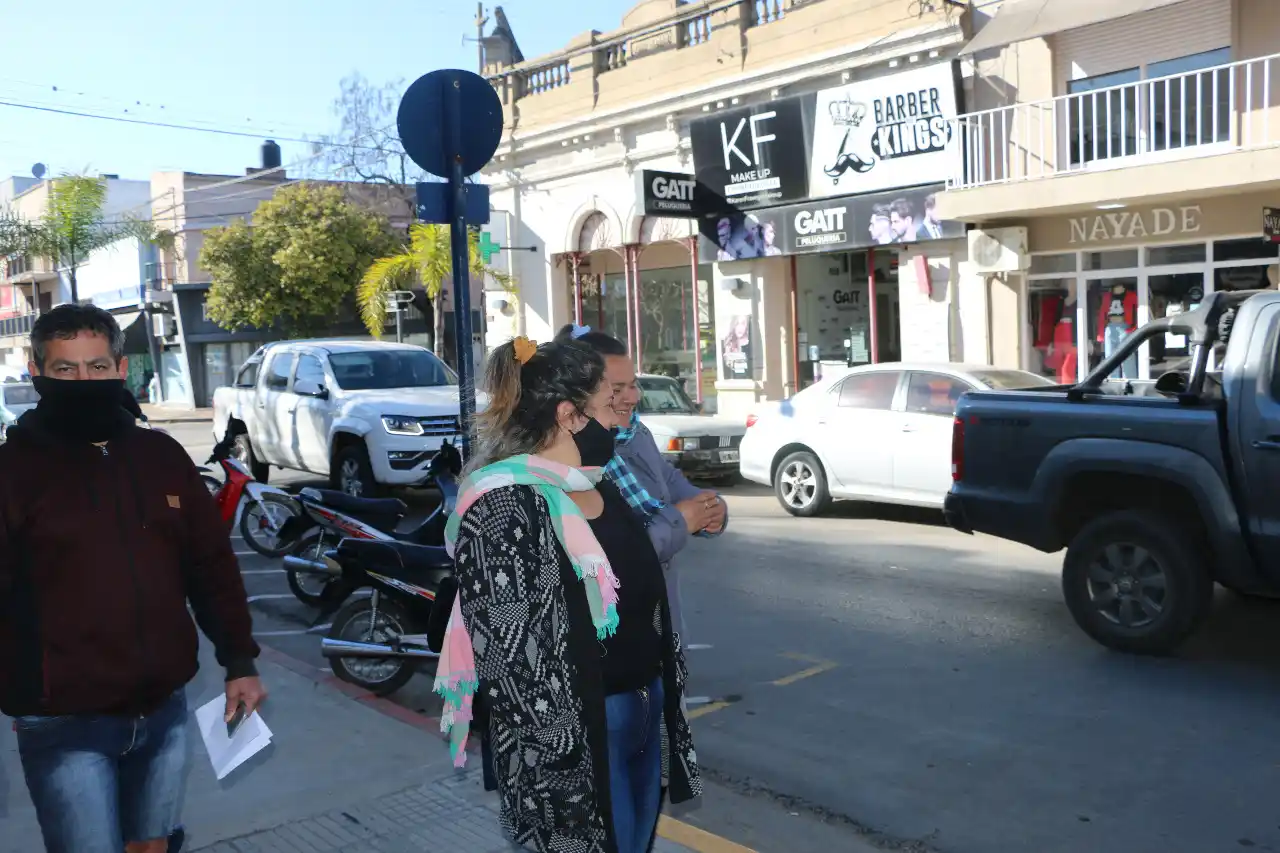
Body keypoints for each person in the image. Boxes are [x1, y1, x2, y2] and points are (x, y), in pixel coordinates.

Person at [0, 304, 265, 853]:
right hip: (63, 720)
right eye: (65, 369)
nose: (83, 380)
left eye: (97, 367)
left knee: (152, 848)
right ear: (36, 371)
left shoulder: (161, 457)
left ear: (121, 369)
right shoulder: (11, 472)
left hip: (163, 707)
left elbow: (210, 565)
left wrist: (239, 661)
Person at [436, 335, 702, 853]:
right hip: (574, 741)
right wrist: (561, 770)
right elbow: (511, 661)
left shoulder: (597, 484)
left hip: (643, 710)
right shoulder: (504, 506)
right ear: (568, 415)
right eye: (608, 406)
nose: (620, 421)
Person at [556, 324, 727, 642]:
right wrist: (681, 520)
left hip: (659, 623)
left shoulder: (635, 431)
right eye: (616, 390)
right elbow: (615, 558)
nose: (631, 398)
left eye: (633, 385)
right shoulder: (572, 458)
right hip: (617, 641)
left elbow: (669, 479)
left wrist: (709, 508)